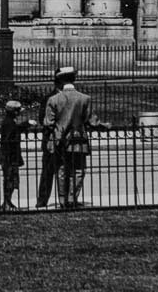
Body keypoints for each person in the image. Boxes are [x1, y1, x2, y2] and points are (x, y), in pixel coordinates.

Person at [44, 66, 103, 208]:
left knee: (61, 170)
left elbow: (48, 123)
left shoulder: (53, 99)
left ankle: (63, 200)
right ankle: (72, 198)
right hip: (79, 139)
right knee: (78, 170)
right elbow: (92, 121)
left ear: (60, 80)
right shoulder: (84, 99)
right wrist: (105, 126)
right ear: (74, 79)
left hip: (60, 140)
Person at [0, 100, 36, 211]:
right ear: (15, 112)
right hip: (9, 156)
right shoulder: (9, 123)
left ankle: (7, 202)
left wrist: (26, 124)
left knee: (11, 179)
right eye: (19, 111)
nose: (20, 113)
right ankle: (6, 203)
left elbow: (16, 129)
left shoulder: (9, 121)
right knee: (10, 179)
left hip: (9, 155)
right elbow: (9, 137)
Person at [34, 72, 63, 208]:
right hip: (51, 140)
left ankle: (66, 199)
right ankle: (42, 199)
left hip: (64, 140)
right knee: (47, 171)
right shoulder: (49, 98)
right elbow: (42, 119)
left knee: (65, 171)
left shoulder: (69, 97)